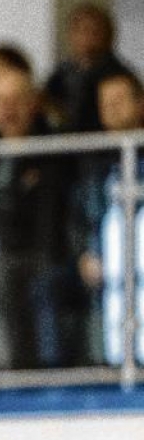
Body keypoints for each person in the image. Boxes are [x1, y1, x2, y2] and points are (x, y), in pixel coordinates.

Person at [0, 59, 75, 370]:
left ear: (32, 102)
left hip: (41, 251)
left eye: (14, 101)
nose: (7, 110)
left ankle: (40, 373)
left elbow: (53, 211)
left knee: (23, 277)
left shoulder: (54, 146)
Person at [71, 70, 144, 364]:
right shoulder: (94, 163)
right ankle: (110, 365)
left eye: (119, 100)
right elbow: (79, 217)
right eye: (105, 103)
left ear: (140, 104)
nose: (111, 108)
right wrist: (85, 252)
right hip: (107, 265)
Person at [45, 2, 135, 133]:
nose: (86, 38)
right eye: (79, 30)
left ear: (108, 35)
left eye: (93, 31)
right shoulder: (61, 73)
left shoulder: (118, 76)